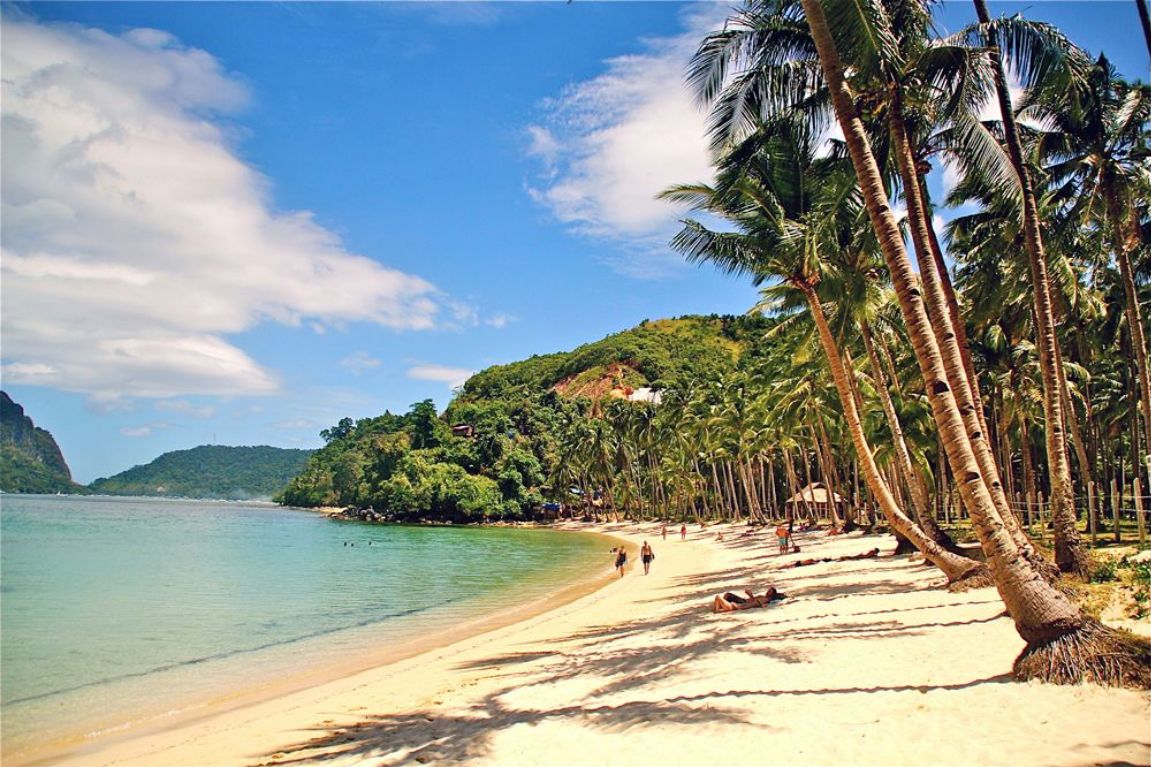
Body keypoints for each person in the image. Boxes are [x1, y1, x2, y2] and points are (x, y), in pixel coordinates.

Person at [712, 586, 786, 612]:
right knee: (725, 596)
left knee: (720, 597)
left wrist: (750, 595)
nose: (768, 591)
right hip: (742, 603)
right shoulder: (763, 597)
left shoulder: (766, 599)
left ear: (772, 594)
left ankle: (718, 609)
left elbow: (754, 603)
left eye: (770, 591)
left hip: (742, 604)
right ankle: (718, 609)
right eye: (768, 590)